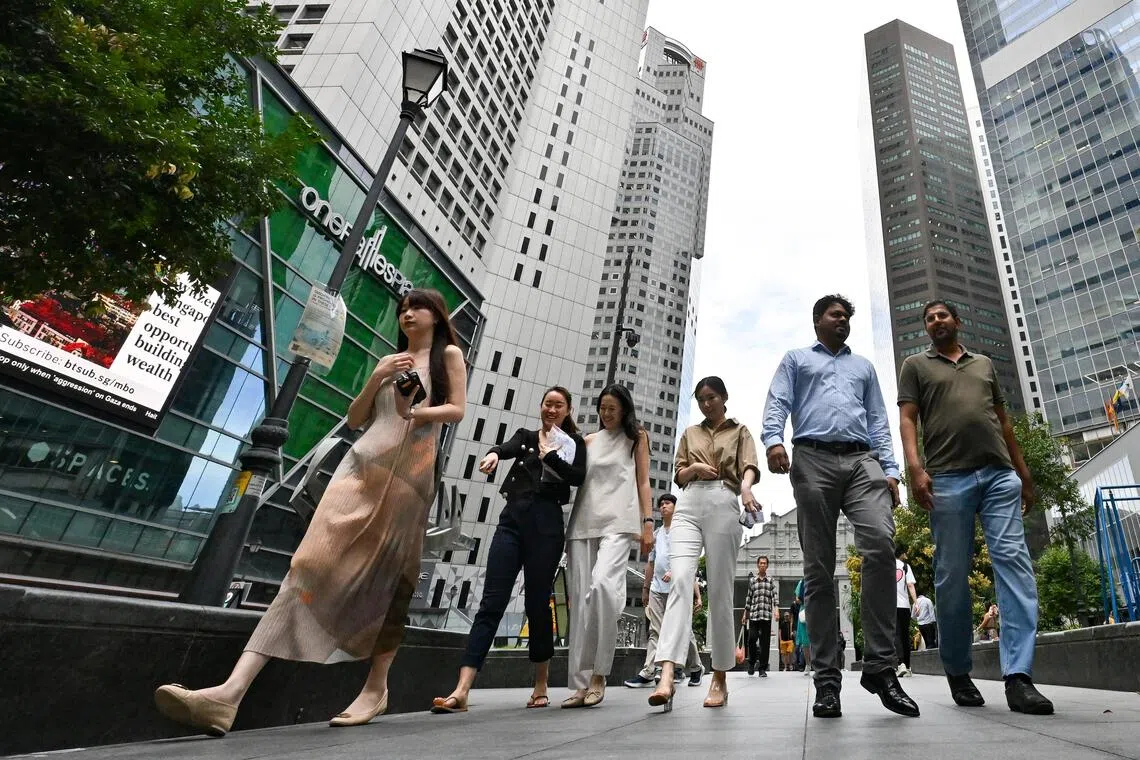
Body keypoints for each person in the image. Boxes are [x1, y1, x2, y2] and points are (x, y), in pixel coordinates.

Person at [154, 289, 468, 735]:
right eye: (402, 309)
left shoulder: (448, 355)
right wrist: (377, 377)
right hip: (360, 466)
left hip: (407, 480)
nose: (407, 314)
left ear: (436, 315)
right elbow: (356, 419)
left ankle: (375, 687)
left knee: (390, 579)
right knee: (307, 564)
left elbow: (457, 409)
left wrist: (416, 411)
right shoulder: (389, 361)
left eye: (417, 307)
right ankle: (228, 694)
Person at [762, 294, 918, 719]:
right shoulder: (797, 359)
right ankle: (827, 681)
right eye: (836, 314)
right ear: (817, 320)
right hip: (811, 458)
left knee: (881, 545)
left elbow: (878, 419)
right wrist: (774, 440)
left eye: (847, 316)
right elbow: (778, 401)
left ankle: (881, 668)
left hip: (863, 460)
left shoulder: (863, 367)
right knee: (818, 570)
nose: (843, 320)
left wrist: (890, 470)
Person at [899, 299, 1053, 715]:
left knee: (1014, 564)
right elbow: (908, 419)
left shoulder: (983, 364)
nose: (936, 321)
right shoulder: (916, 366)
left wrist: (1023, 474)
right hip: (948, 479)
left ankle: (1018, 676)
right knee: (951, 575)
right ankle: (957, 669)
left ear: (957, 321)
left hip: (999, 475)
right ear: (926, 328)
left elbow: (1003, 422)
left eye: (942, 315)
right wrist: (915, 468)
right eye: (929, 318)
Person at [431, 387, 586, 713]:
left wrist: (550, 456)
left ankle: (541, 683)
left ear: (568, 410)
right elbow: (507, 448)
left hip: (546, 527)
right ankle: (462, 689)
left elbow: (577, 477)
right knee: (491, 602)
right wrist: (493, 454)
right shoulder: (526, 436)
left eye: (559, 405)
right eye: (548, 404)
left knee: (537, 603)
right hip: (512, 521)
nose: (552, 410)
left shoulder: (574, 443)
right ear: (541, 406)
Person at [648, 376, 761, 711]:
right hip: (688, 503)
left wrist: (745, 488)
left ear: (724, 397)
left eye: (711, 397)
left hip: (724, 499)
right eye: (700, 399)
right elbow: (679, 474)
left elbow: (750, 467)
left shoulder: (739, 431)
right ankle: (667, 673)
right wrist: (694, 467)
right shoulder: (690, 433)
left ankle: (720, 677)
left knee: (721, 590)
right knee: (680, 580)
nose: (706, 403)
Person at [562, 385, 654, 708]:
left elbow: (643, 481)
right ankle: (579, 684)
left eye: (612, 408)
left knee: (602, 587)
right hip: (583, 524)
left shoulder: (637, 438)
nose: (606, 413)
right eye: (602, 408)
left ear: (624, 409)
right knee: (580, 605)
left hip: (619, 523)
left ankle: (599, 674)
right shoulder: (588, 441)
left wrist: (648, 522)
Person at [624, 494, 705, 689]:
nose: (663, 506)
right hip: (657, 589)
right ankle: (649, 671)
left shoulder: (683, 533)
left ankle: (696, 667)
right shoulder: (657, 534)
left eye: (668, 503)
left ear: (676, 507)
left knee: (683, 629)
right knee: (655, 630)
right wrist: (645, 588)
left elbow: (690, 564)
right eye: (661, 504)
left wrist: (696, 594)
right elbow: (651, 563)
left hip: (678, 588)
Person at [741, 556, 779, 677]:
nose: (763, 565)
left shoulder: (771, 580)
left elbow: (775, 597)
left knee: (765, 643)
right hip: (754, 615)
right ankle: (751, 663)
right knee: (752, 639)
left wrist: (776, 610)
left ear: (767, 566)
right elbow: (748, 598)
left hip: (766, 616)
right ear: (758, 565)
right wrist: (745, 614)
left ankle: (762, 669)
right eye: (761, 563)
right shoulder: (752, 581)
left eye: (765, 563)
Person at [895, 547, 917, 676]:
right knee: (905, 635)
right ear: (901, 554)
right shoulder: (905, 566)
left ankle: (901, 663)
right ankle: (908, 667)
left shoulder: (887, 565)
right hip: (904, 606)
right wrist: (916, 602)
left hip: (891, 606)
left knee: (896, 634)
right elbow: (910, 585)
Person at [794, 579, 811, 676]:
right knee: (805, 641)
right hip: (804, 611)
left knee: (816, 639)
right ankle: (808, 664)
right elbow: (797, 599)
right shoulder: (802, 582)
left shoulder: (816, 580)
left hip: (815, 610)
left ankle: (816, 663)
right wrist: (804, 600)